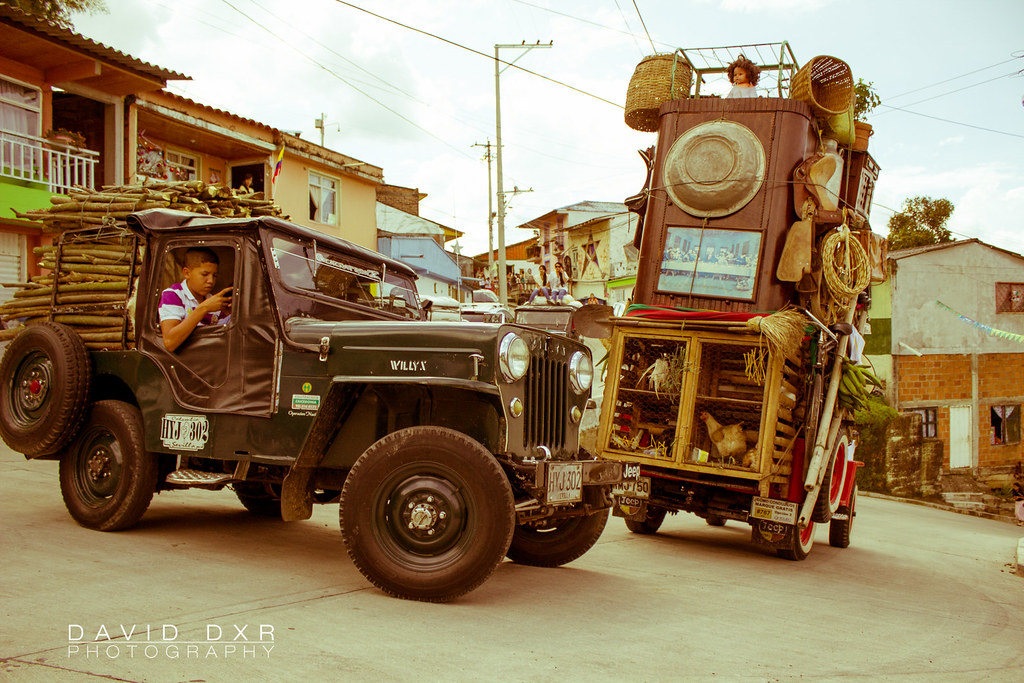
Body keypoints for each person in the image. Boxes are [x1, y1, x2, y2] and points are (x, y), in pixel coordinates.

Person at [159, 247, 232, 352]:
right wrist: (204, 308)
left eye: (214, 275)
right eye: (204, 274)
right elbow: (170, 342)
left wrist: (229, 314)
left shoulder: (213, 300)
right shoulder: (173, 295)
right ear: (187, 273)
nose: (211, 281)